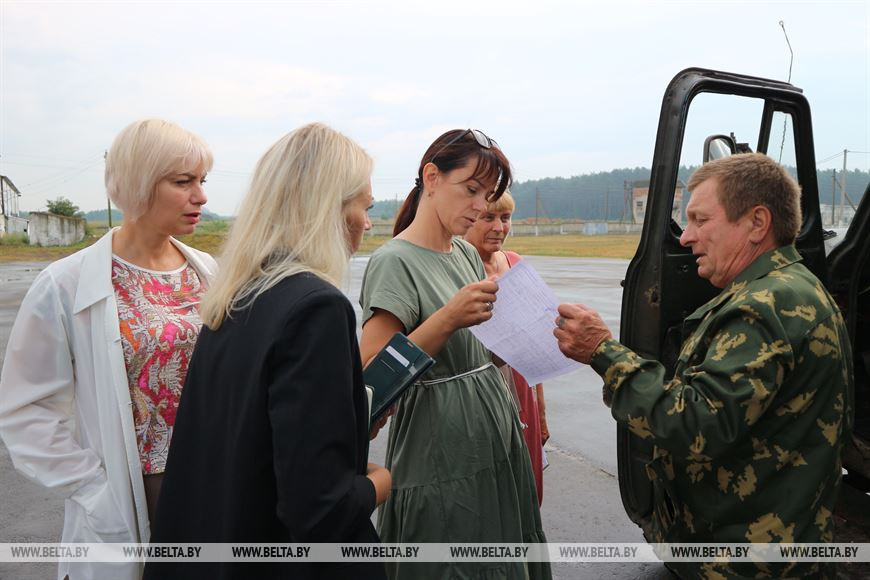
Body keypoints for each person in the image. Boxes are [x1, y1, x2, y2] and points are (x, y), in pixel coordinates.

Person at [554, 153, 853, 578]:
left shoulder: (765, 306)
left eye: (699, 220)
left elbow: (694, 425)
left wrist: (603, 351)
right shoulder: (789, 287)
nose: (686, 237)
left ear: (757, 223)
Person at [144, 123, 391, 580]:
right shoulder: (317, 308)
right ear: (330, 210)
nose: (368, 222)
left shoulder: (238, 294)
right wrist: (379, 483)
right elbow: (320, 512)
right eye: (365, 206)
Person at [0, 118, 215, 580]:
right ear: (139, 183)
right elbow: (24, 411)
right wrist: (95, 493)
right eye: (183, 182)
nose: (200, 196)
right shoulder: (65, 283)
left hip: (216, 479)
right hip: (139, 491)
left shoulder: (208, 271)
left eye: (202, 181)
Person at [360, 129, 550, 580]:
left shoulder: (464, 252)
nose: (481, 206)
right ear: (432, 177)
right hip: (438, 445)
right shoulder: (394, 261)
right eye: (471, 190)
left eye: (489, 195)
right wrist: (448, 317)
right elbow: (371, 380)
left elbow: (474, 355)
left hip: (493, 432)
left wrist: (534, 337)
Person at [463, 190, 550, 505]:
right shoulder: (459, 269)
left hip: (522, 385)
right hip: (481, 390)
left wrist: (541, 410)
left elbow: (536, 340)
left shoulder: (516, 263)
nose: (499, 227)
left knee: (528, 485)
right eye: (488, 217)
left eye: (505, 217)